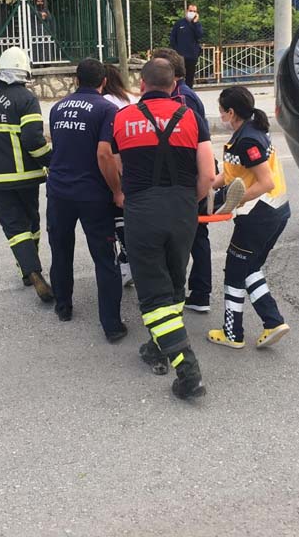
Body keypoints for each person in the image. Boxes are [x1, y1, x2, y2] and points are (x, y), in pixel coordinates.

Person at [111, 58, 215, 400]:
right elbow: (207, 177)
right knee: (173, 283)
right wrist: (190, 200)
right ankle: (158, 347)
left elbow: (114, 162)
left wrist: (122, 195)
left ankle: (188, 372)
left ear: (141, 85)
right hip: (183, 209)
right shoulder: (193, 118)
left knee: (153, 295)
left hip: (142, 210)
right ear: (174, 86)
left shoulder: (122, 118)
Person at [46, 59, 127, 341]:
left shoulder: (57, 108)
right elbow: (105, 154)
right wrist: (117, 191)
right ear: (104, 82)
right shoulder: (107, 109)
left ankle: (63, 306)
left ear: (76, 80)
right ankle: (112, 326)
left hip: (58, 192)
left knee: (61, 250)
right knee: (105, 258)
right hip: (92, 195)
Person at [207, 86, 291, 350]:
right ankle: (273, 321)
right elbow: (233, 174)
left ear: (231, 112)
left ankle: (233, 334)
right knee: (250, 268)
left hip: (259, 215)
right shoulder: (247, 133)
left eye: (221, 110)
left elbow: (265, 182)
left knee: (235, 269)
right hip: (272, 213)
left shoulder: (249, 140)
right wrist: (208, 186)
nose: (220, 115)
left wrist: (234, 202)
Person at [0, 46, 54, 303]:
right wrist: (51, 160)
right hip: (25, 176)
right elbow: (33, 139)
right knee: (31, 223)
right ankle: (31, 271)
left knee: (14, 227)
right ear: (25, 71)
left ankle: (29, 270)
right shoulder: (26, 98)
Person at [153, 48, 214, 313]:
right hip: (183, 180)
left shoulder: (183, 99)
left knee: (196, 235)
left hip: (187, 180)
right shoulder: (182, 96)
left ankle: (198, 293)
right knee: (192, 235)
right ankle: (192, 291)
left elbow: (193, 145)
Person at [100, 62, 136, 288]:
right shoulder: (132, 99)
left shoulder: (103, 104)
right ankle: (128, 259)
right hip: (136, 163)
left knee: (116, 215)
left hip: (116, 163)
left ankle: (127, 258)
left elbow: (106, 148)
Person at [169, 2, 203, 87]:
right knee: (178, 76)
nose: (192, 12)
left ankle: (188, 92)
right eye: (190, 10)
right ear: (187, 11)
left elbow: (199, 35)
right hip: (180, 56)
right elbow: (173, 38)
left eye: (194, 11)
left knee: (190, 77)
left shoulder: (197, 24)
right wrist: (177, 51)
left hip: (192, 55)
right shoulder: (179, 23)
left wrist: (195, 23)